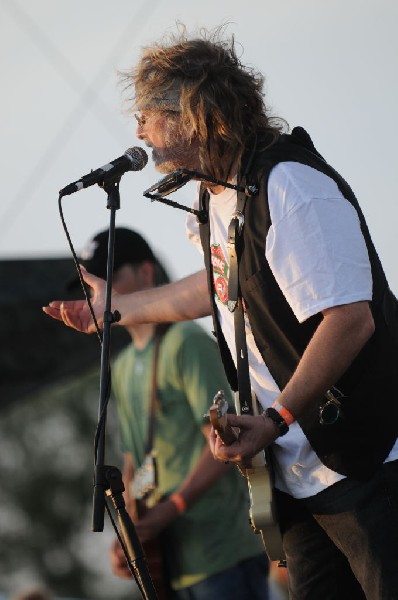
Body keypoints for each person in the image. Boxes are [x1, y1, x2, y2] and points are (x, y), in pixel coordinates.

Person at [43, 26, 398, 600]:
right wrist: (115, 310)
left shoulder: (288, 184)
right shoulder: (214, 195)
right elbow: (214, 288)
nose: (137, 131)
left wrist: (277, 418)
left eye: (147, 114)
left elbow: (350, 319)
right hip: (299, 475)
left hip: (365, 460)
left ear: (192, 113)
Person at [67, 226, 270, 600]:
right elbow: (133, 462)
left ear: (146, 272)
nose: (95, 291)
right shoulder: (124, 365)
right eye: (88, 283)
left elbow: (228, 439)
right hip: (171, 565)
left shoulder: (187, 343)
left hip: (221, 555)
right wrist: (130, 537)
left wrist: (173, 507)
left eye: (108, 276)